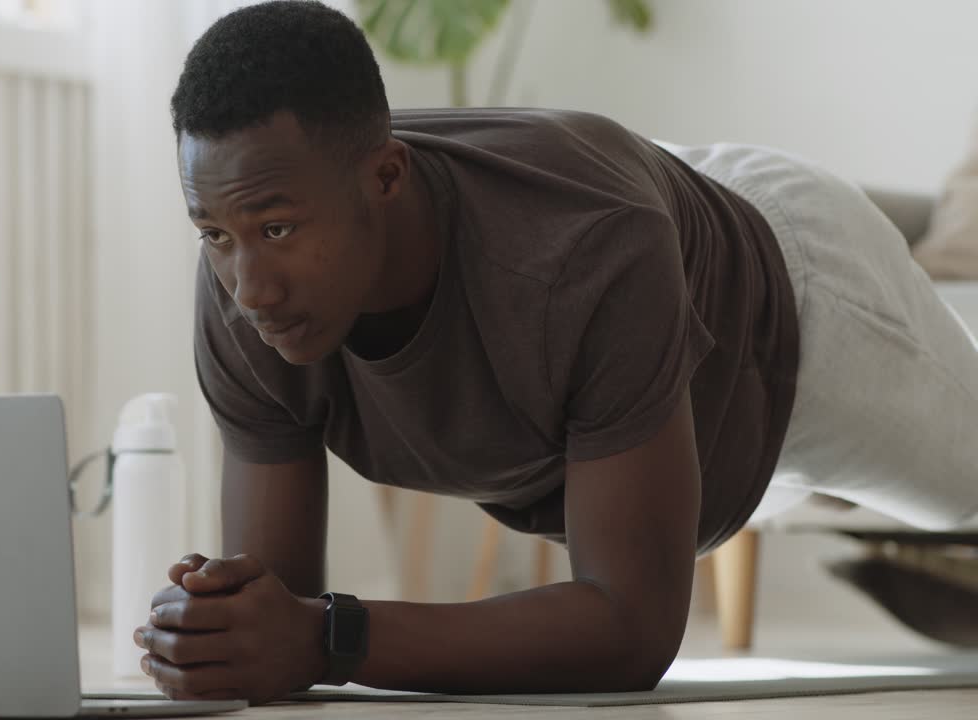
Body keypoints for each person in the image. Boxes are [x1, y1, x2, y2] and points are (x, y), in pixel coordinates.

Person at [131, 0, 978, 705]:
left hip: (792, 293)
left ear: (385, 180)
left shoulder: (585, 257)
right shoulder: (248, 281)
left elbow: (631, 631)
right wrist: (222, 631)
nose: (250, 287)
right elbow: (277, 618)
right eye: (214, 234)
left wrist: (333, 635)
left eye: (277, 229)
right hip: (636, 248)